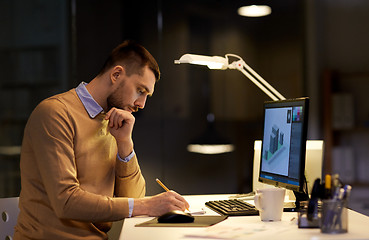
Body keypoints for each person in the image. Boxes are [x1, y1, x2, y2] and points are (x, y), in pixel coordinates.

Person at [14, 40, 189, 239]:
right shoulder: (55, 113)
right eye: (140, 91)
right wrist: (148, 205)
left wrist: (125, 144)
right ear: (116, 75)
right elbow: (66, 201)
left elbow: (133, 199)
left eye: (147, 95)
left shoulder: (113, 120)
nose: (142, 104)